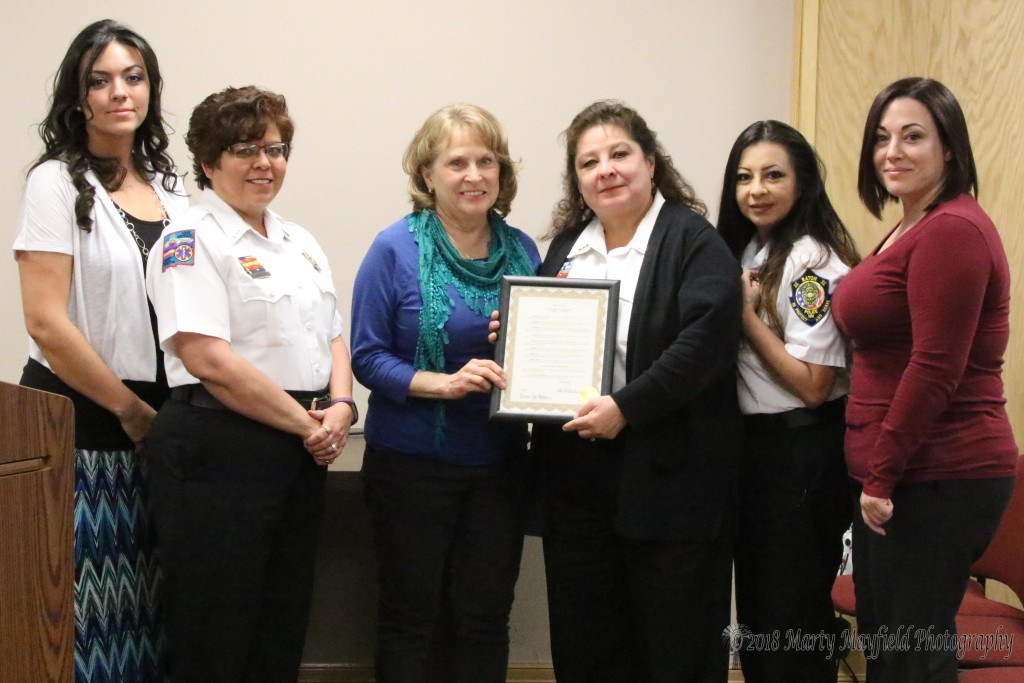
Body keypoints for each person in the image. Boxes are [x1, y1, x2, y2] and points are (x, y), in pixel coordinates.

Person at [144, 86, 355, 682]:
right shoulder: (190, 240)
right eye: (245, 149)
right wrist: (307, 425)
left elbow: (331, 338)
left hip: (300, 444)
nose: (266, 163)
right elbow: (209, 359)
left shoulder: (298, 241)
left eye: (276, 148)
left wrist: (340, 406)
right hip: (219, 445)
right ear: (209, 163)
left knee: (283, 618)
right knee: (218, 629)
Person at [529, 100, 743, 683]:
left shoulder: (695, 242)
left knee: (673, 647)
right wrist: (515, 337)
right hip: (580, 486)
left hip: (672, 484)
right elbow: (545, 345)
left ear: (651, 162)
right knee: (587, 641)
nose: (607, 170)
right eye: (589, 162)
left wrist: (626, 408)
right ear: (577, 180)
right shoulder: (566, 249)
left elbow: (704, 345)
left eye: (620, 154)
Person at [13, 19, 186, 683]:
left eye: (134, 76)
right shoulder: (55, 184)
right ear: (78, 96)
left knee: (150, 607)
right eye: (101, 79)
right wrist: (128, 409)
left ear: (151, 89)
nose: (120, 91)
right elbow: (46, 324)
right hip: (81, 423)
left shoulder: (173, 192)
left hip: (163, 421)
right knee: (84, 617)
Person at [832, 77, 1018, 682]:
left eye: (913, 136)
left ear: (950, 148)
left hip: (935, 475)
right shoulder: (914, 224)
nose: (893, 151)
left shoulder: (952, 231)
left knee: (913, 658)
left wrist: (881, 475)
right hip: (908, 478)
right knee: (893, 652)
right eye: (882, 138)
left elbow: (936, 368)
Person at [350, 103, 540, 683]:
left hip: (500, 468)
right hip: (410, 467)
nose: (474, 175)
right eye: (457, 162)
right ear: (427, 174)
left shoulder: (526, 251)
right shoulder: (394, 249)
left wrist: (522, 344)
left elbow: (542, 354)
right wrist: (443, 384)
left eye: (487, 161)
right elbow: (366, 356)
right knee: (412, 618)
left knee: (486, 619)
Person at [717, 120, 860, 683]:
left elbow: (812, 384)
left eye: (774, 175)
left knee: (790, 621)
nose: (757, 189)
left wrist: (745, 316)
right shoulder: (750, 247)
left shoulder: (813, 261)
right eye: (745, 177)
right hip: (754, 453)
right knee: (759, 619)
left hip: (801, 452)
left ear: (802, 182)